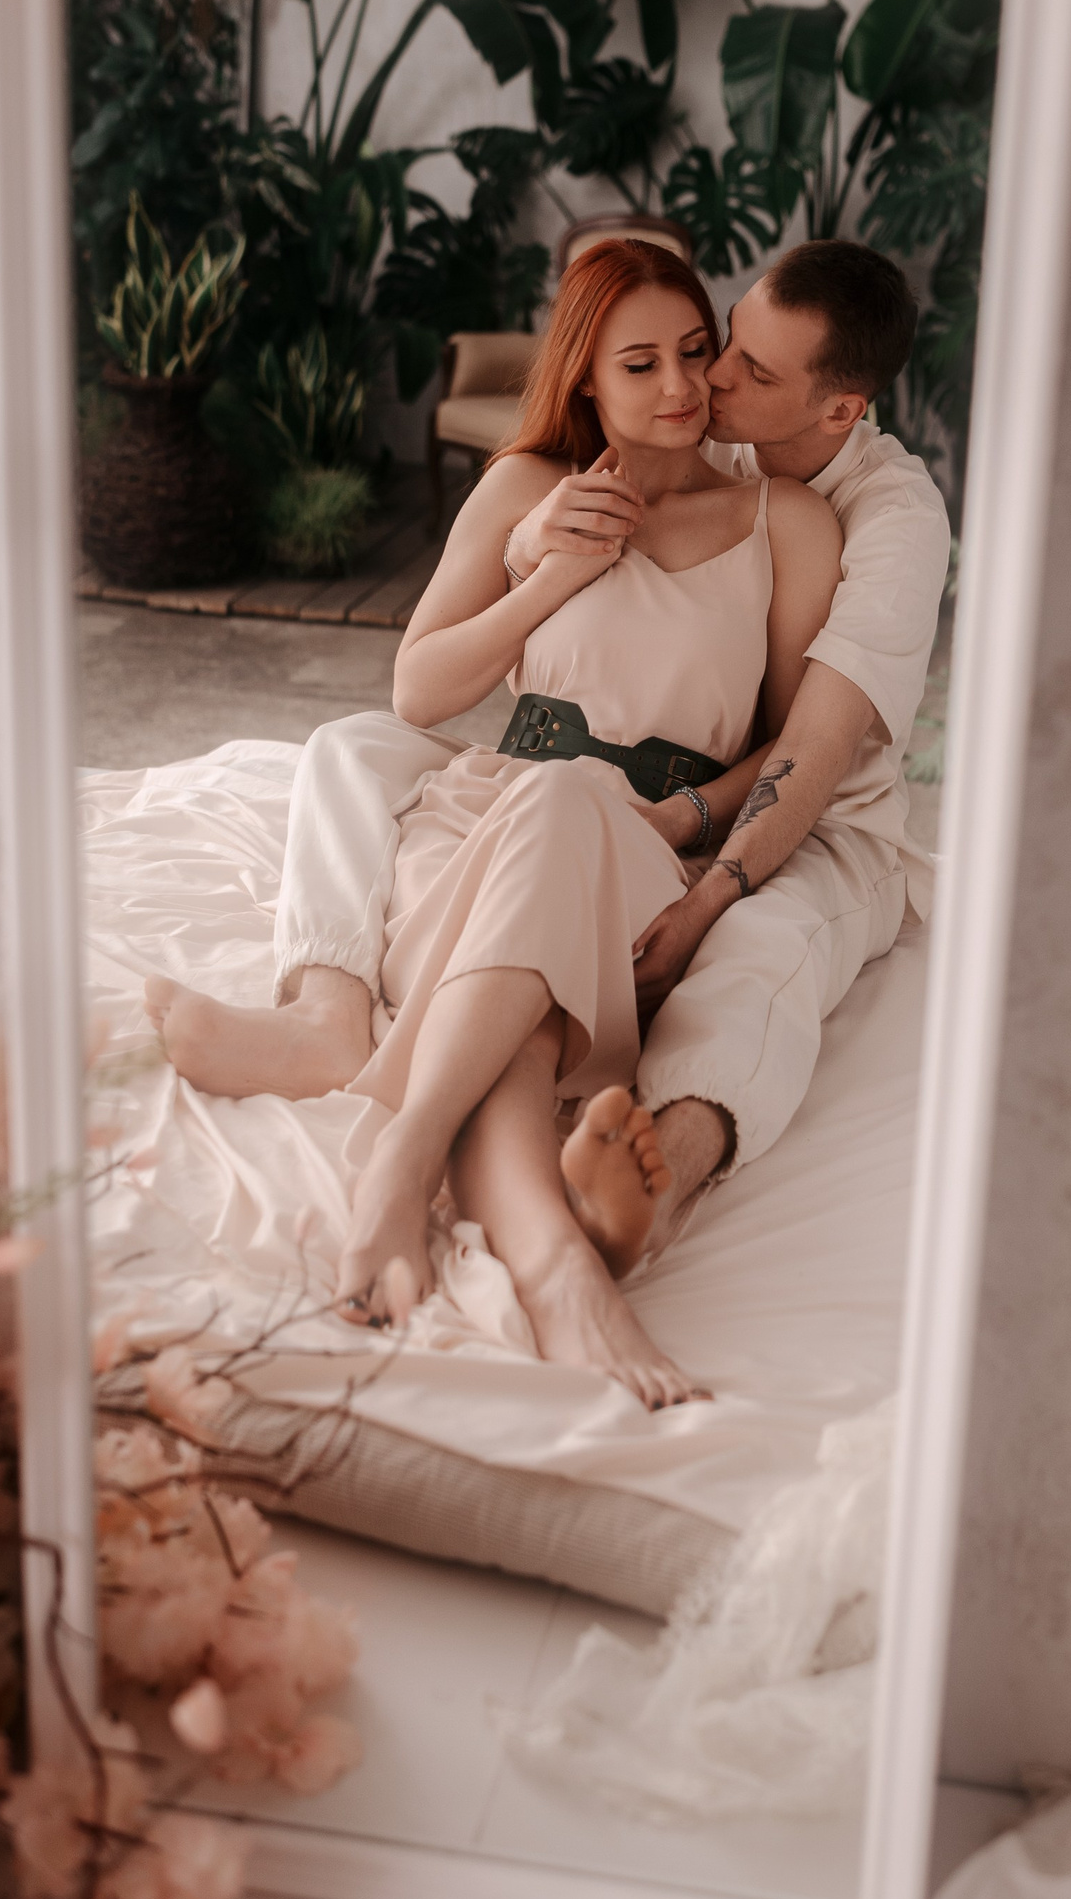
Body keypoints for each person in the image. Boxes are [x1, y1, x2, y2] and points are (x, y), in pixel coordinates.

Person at [149, 237, 950, 1362]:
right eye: (651, 362)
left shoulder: (822, 519)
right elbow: (420, 689)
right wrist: (547, 566)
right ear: (586, 376)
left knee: (582, 871)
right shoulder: (535, 487)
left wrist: (698, 858)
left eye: (702, 355)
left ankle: (424, 1158)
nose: (696, 384)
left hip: (654, 836)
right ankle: (534, 1242)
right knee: (373, 764)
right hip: (501, 807)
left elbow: (799, 738)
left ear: (834, 405)